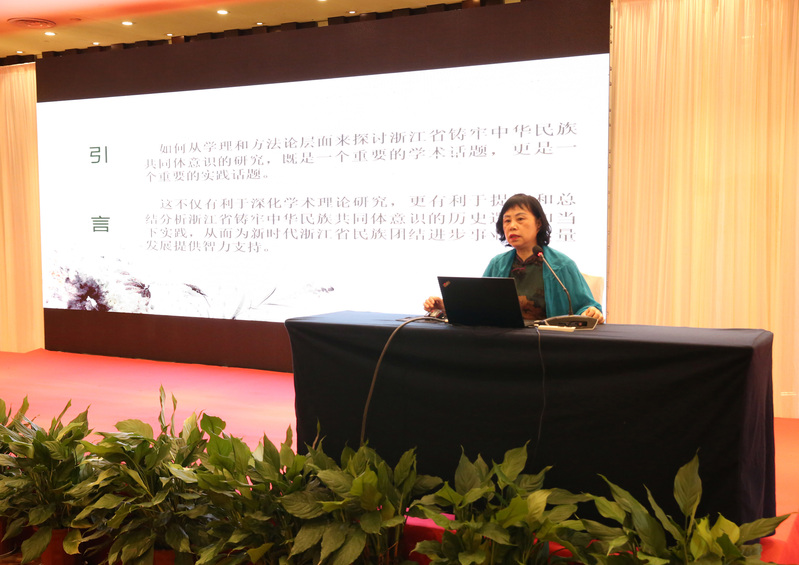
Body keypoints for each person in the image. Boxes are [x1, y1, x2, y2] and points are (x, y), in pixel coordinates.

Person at [424, 193, 604, 323]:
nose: (512, 226)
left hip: (547, 344)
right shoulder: (498, 264)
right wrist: (444, 306)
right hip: (504, 342)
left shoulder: (560, 265)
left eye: (520, 219)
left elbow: (585, 307)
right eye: (507, 221)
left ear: (538, 223)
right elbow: (478, 306)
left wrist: (591, 311)